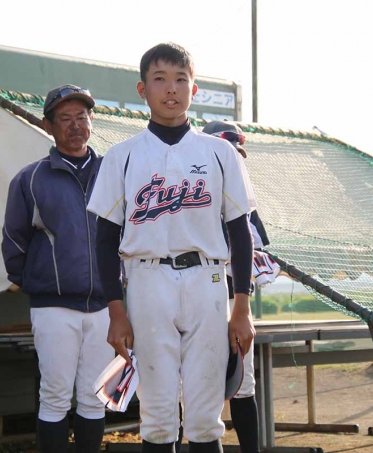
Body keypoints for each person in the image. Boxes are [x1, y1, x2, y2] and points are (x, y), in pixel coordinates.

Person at [88, 43, 256, 453]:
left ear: (193, 89)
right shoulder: (122, 156)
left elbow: (240, 232)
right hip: (147, 280)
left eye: (181, 79)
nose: (171, 89)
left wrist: (242, 307)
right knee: (158, 415)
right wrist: (115, 311)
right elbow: (104, 240)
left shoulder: (220, 153)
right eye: (160, 79)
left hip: (207, 279)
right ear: (142, 89)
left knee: (205, 416)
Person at [1, 84, 114, 453]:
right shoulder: (31, 178)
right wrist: (40, 282)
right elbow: (13, 241)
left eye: (82, 116)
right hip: (53, 306)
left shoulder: (112, 172)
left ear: (92, 121)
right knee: (55, 396)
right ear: (48, 126)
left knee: (95, 396)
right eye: (65, 118)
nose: (75, 125)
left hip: (105, 306)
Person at [202, 120, 273, 453]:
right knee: (197, 388)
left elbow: (256, 253)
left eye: (236, 154)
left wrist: (242, 307)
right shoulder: (191, 194)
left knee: (243, 384)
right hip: (197, 299)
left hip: (235, 302)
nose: (233, 160)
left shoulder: (243, 199)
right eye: (226, 152)